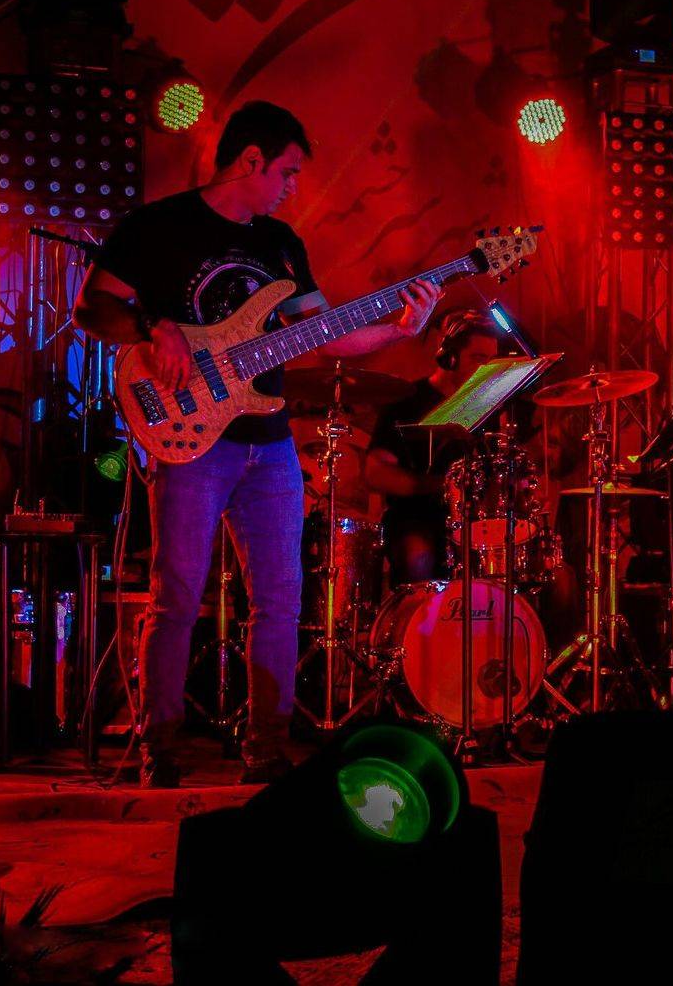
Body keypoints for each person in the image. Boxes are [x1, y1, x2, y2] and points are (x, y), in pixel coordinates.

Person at [73, 101, 442, 787]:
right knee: (176, 596)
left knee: (280, 598)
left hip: (268, 439)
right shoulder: (158, 226)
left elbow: (325, 333)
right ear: (250, 161)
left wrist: (399, 328)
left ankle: (265, 748)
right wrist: (155, 325)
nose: (292, 186)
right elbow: (91, 306)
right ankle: (159, 748)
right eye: (287, 172)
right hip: (189, 436)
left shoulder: (280, 244)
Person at [364, 310, 502, 585]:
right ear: (450, 357)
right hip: (416, 518)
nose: (485, 370)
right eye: (478, 359)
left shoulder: (490, 406)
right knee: (419, 557)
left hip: (477, 522)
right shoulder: (406, 401)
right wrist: (440, 485)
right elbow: (375, 472)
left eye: (491, 361)